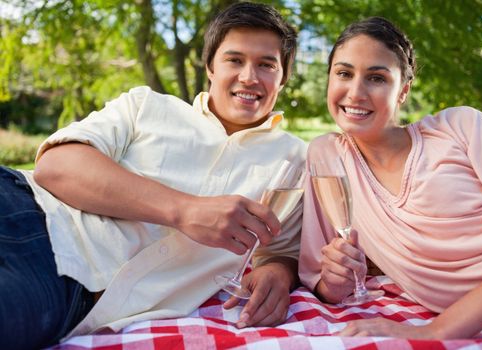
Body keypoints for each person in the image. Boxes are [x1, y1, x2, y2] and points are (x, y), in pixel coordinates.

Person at [0, 2, 306, 348]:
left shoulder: (296, 159)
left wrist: (280, 270)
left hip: (63, 288)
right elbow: (56, 166)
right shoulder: (146, 105)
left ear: (283, 78)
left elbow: (287, 249)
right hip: (21, 205)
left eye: (266, 65)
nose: (249, 77)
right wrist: (185, 210)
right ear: (210, 67)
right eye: (234, 60)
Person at [299, 16, 482, 339]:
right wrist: (334, 280)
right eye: (344, 73)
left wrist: (436, 331)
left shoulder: (460, 127)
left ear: (402, 91)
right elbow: (322, 282)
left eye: (376, 78)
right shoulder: (326, 158)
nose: (355, 92)